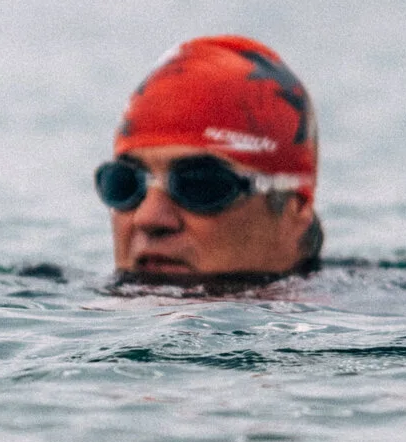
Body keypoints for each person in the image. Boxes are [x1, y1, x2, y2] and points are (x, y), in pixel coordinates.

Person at [97, 35, 323, 286]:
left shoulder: (359, 312)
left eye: (199, 185)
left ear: (297, 207)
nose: (148, 218)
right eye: (124, 184)